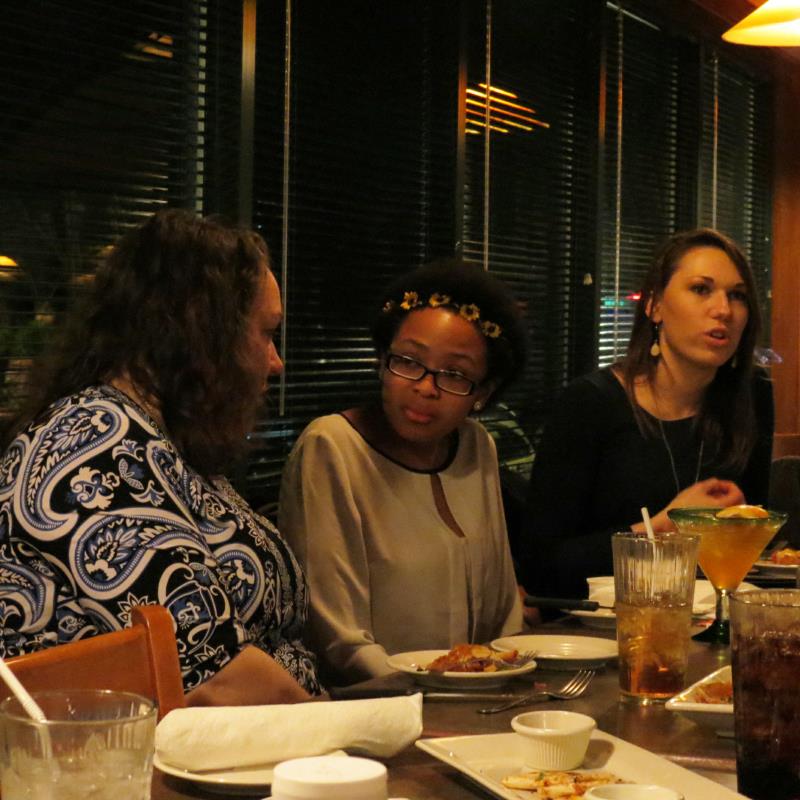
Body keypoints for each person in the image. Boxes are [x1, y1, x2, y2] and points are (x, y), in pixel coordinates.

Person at [0, 209, 321, 704]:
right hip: (145, 749)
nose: (275, 362)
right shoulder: (94, 446)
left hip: (269, 737)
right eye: (265, 332)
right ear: (201, 329)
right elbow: (212, 677)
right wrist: (355, 736)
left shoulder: (160, 438)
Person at [279, 258, 526, 685]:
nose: (425, 387)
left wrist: (504, 672)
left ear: (483, 392)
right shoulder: (333, 446)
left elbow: (504, 613)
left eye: (455, 374)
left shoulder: (476, 447)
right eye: (409, 361)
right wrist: (428, 688)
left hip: (477, 696)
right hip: (375, 702)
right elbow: (338, 638)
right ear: (381, 360)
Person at [520, 228, 774, 600]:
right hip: (602, 623)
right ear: (654, 306)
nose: (723, 310)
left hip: (712, 618)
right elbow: (540, 566)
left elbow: (756, 548)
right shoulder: (591, 402)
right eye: (701, 289)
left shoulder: (752, 396)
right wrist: (661, 528)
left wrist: (745, 527)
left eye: (737, 295)